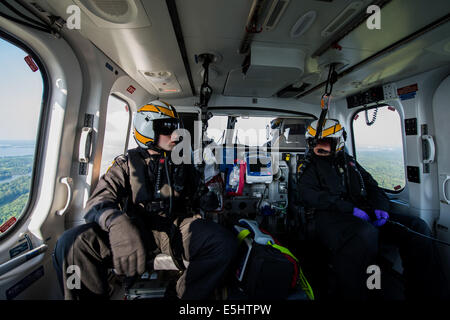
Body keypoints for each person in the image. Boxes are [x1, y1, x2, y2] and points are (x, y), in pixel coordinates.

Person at [53, 100, 237, 300]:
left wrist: (209, 194)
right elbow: (97, 202)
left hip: (178, 226)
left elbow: (203, 197)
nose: (176, 135)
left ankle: (181, 296)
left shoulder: (184, 163)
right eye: (167, 128)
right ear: (147, 129)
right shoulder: (125, 165)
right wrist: (116, 222)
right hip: (135, 228)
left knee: (223, 243)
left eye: (176, 128)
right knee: (72, 242)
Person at [297, 118, 449, 300]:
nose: (319, 148)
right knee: (365, 234)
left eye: (325, 142)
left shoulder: (349, 162)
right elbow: (311, 195)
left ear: (339, 141)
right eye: (314, 143)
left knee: (417, 227)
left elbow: (372, 186)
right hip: (330, 217)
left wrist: (380, 208)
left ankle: (425, 294)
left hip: (362, 213)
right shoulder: (308, 166)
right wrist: (349, 209)